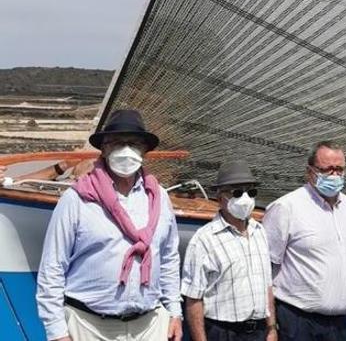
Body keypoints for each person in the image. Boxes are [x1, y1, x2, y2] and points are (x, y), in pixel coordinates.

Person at [36, 109, 183, 341]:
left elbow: (168, 259)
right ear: (103, 149)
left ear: (144, 150)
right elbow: (52, 268)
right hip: (89, 325)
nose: (125, 151)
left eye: (134, 143)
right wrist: (56, 332)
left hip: (149, 324)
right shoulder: (77, 198)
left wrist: (174, 311)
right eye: (116, 143)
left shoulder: (159, 198)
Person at [262, 141, 346, 341]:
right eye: (327, 169)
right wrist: (270, 326)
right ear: (310, 172)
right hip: (298, 321)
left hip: (339, 324)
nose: (334, 175)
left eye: (339, 169)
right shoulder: (286, 207)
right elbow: (264, 270)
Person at [181, 160, 276, 341]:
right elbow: (194, 299)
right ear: (220, 197)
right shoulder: (204, 239)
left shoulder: (260, 232)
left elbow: (267, 285)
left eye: (250, 192)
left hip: (258, 331)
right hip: (223, 332)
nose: (245, 198)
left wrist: (271, 328)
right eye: (237, 192)